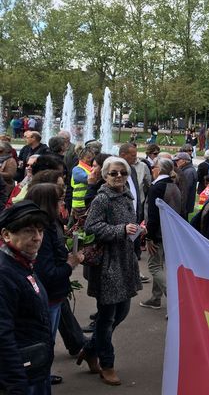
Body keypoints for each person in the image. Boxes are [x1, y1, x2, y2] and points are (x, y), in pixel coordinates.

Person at [78, 156, 143, 386]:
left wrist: (136, 231)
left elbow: (127, 227)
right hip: (108, 264)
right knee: (106, 318)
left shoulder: (127, 196)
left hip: (124, 261)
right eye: (114, 173)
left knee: (122, 311)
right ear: (105, 176)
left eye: (123, 173)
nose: (119, 177)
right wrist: (121, 230)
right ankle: (107, 364)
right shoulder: (102, 199)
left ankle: (89, 348)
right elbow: (92, 227)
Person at [25, 183, 85, 386]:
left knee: (46, 339)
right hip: (49, 296)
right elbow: (47, 273)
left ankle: (42, 374)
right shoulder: (42, 230)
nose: (63, 203)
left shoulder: (50, 224)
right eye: (59, 200)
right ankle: (40, 377)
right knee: (44, 341)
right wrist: (70, 263)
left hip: (53, 295)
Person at [0, 201, 54, 394]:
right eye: (29, 231)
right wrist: (16, 384)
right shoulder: (5, 273)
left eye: (40, 231)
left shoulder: (23, 263)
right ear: (6, 234)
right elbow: (3, 335)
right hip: (23, 377)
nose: (37, 237)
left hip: (35, 368)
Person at [140, 158, 182, 310]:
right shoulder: (173, 185)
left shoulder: (157, 187)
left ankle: (175, 300)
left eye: (154, 167)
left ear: (158, 168)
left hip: (158, 234)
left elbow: (153, 215)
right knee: (159, 264)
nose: (152, 169)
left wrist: (149, 237)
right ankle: (156, 298)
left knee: (154, 267)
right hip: (170, 233)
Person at [173, 152, 197, 217]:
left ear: (184, 161)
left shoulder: (188, 172)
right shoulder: (187, 170)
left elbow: (185, 189)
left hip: (185, 204)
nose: (176, 162)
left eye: (177, 160)